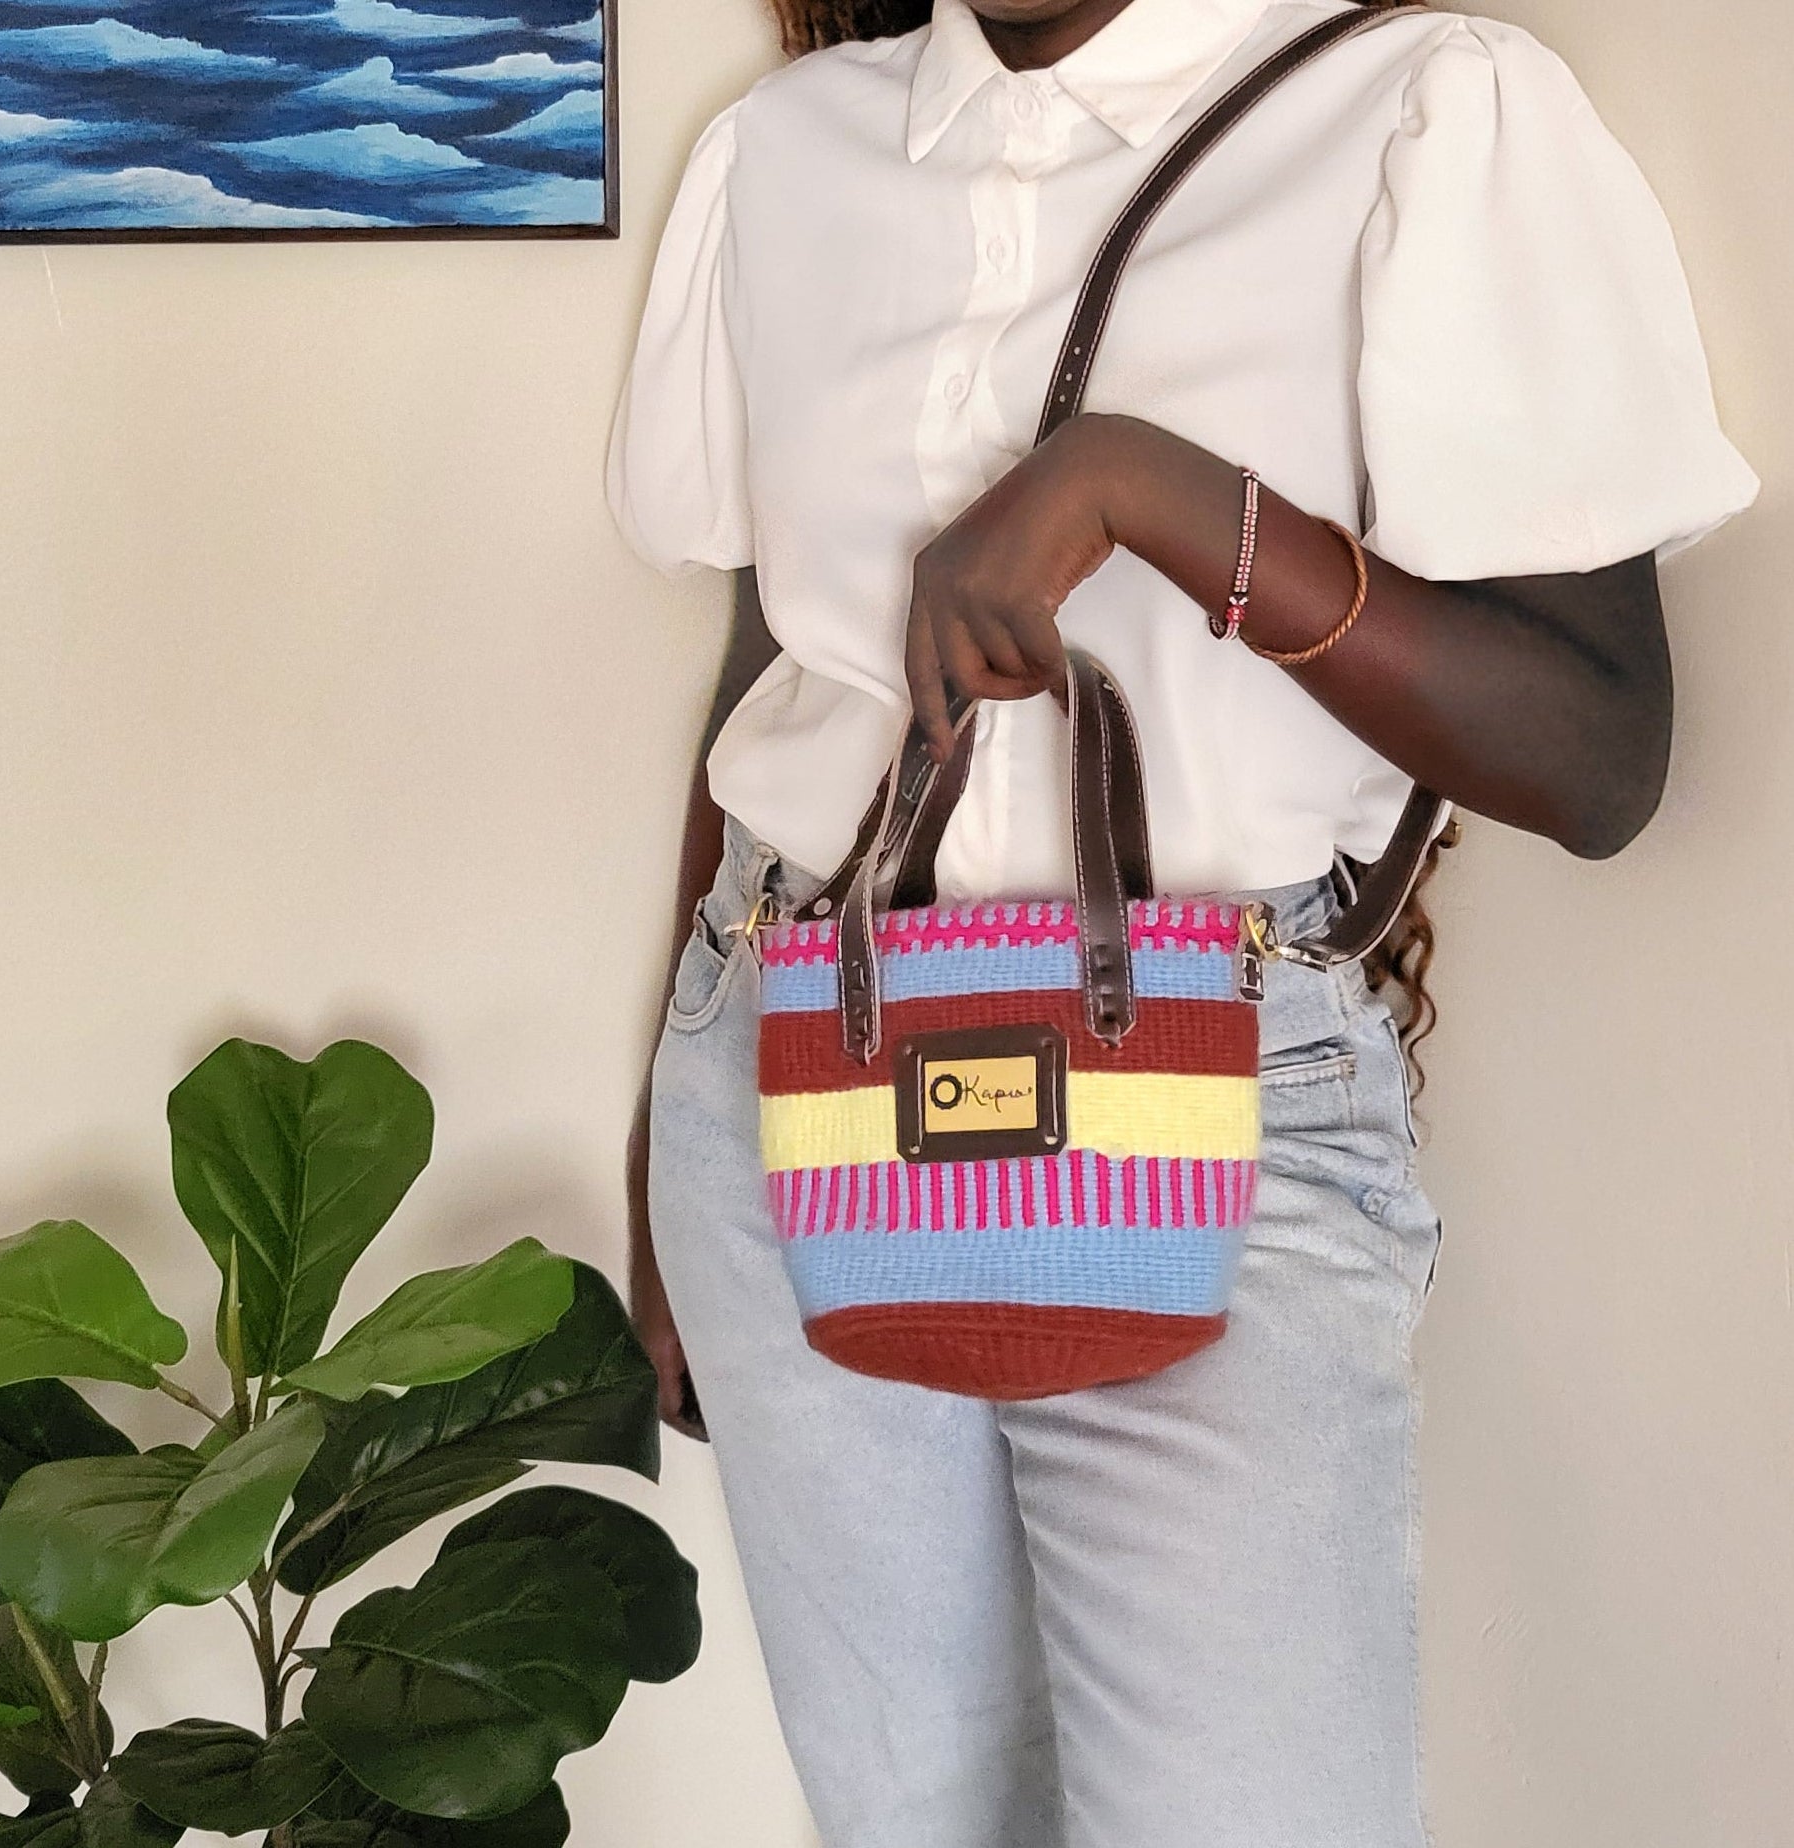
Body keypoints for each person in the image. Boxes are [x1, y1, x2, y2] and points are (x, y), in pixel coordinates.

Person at [605, 0, 1758, 1842]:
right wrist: (675, 1169)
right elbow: (786, 664)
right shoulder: (791, 152)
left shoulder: (1421, 111)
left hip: (1208, 1108)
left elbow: (1595, 756)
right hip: (791, 1075)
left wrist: (1146, 492)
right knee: (914, 1820)